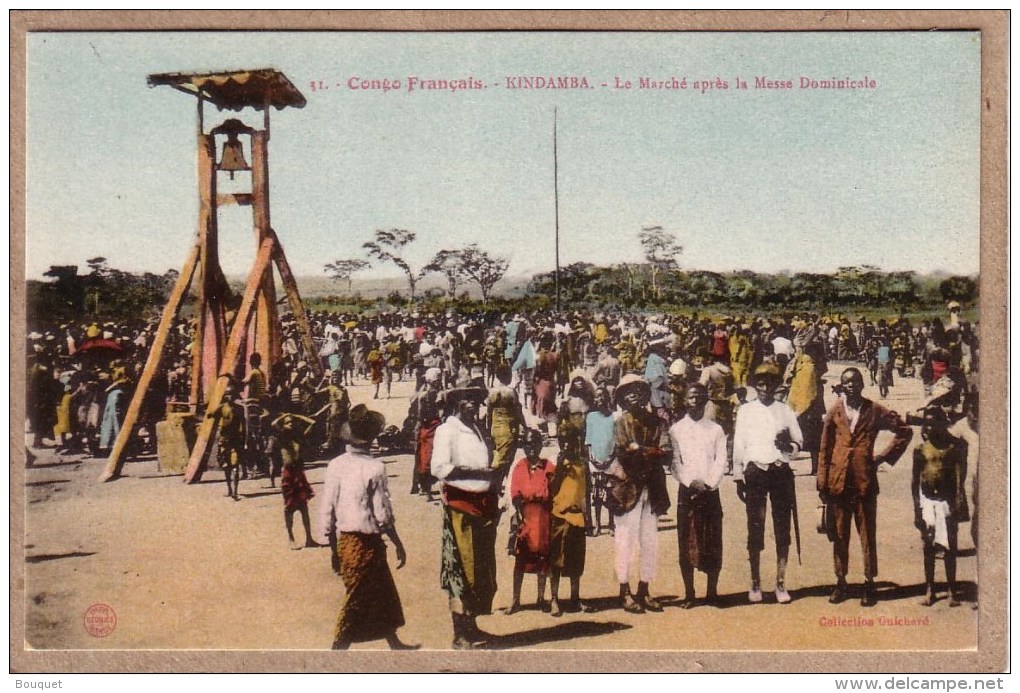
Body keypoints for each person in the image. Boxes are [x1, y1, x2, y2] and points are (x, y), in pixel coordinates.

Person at [317, 404, 418, 650]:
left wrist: (333, 548)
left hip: (346, 540)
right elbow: (382, 512)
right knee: (361, 594)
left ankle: (392, 640)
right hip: (367, 540)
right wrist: (397, 543)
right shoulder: (375, 467)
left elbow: (327, 508)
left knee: (380, 590)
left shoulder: (336, 465)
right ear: (371, 438)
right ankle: (339, 644)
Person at [817, 367, 913, 607]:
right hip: (839, 483)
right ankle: (841, 582)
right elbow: (824, 448)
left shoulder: (874, 410)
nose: (851, 385)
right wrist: (822, 482)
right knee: (839, 535)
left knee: (867, 535)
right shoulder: (835, 412)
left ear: (862, 384)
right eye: (846, 382)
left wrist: (882, 457)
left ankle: (869, 583)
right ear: (841, 386)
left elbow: (904, 431)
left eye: (855, 381)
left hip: (864, 483)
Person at [430, 387, 501, 649]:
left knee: (481, 569)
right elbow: (439, 468)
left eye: (476, 399)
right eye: (468, 400)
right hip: (460, 505)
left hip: (483, 504)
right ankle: (459, 632)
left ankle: (472, 626)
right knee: (460, 568)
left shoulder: (478, 428)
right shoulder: (446, 430)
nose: (474, 404)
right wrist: (479, 473)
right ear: (457, 404)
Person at [733, 363, 803, 605]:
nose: (765, 388)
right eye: (761, 383)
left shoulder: (785, 410)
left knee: (782, 527)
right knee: (756, 526)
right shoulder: (746, 411)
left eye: (770, 383)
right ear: (755, 385)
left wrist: (788, 448)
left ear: (776, 385)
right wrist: (738, 474)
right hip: (756, 473)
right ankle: (755, 583)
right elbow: (739, 444)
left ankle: (780, 583)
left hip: (780, 471)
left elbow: (798, 442)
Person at [610, 374, 671, 613]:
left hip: (653, 489)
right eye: (627, 392)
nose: (632, 394)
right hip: (628, 489)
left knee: (649, 541)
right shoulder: (620, 423)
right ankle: (624, 591)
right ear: (622, 399)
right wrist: (650, 452)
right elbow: (624, 453)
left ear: (645, 394)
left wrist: (641, 449)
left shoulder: (658, 423)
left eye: (636, 390)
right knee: (624, 540)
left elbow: (667, 453)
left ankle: (644, 590)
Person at [669, 383, 727, 608]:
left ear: (706, 401)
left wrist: (709, 483)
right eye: (691, 397)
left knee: (713, 539)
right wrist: (690, 481)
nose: (696, 401)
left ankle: (712, 592)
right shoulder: (676, 430)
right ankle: (690, 593)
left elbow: (721, 460)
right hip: (687, 491)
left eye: (700, 397)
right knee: (686, 540)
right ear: (684, 400)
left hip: (711, 491)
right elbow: (676, 462)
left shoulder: (716, 430)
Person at [912, 406, 969, 608]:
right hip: (927, 501)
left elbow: (960, 475)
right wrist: (917, 509)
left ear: (941, 423)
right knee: (928, 546)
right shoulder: (920, 449)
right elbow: (914, 482)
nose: (929, 426)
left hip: (947, 501)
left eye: (933, 421)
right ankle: (930, 589)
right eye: (926, 422)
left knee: (949, 547)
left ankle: (952, 590)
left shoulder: (954, 447)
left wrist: (959, 501)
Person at [506, 429, 554, 615]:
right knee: (520, 561)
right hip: (525, 518)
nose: (531, 449)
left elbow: (550, 491)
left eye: (534, 444)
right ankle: (515, 600)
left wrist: (537, 496)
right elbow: (515, 493)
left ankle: (541, 598)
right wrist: (519, 515)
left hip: (542, 519)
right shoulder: (519, 466)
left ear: (540, 445)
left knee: (542, 559)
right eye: (527, 445)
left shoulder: (548, 466)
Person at [549, 414, 593, 616]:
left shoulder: (583, 463)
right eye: (563, 441)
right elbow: (552, 488)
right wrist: (559, 468)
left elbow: (586, 492)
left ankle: (575, 598)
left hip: (578, 516)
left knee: (576, 561)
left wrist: (589, 519)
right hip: (560, 514)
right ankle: (555, 599)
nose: (566, 444)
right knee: (557, 560)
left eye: (570, 440)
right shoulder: (558, 462)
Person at [273, 412, 319, 550]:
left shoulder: (299, 437)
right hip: (288, 473)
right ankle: (291, 538)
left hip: (299, 472)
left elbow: (313, 423)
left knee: (304, 507)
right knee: (289, 508)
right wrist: (284, 416)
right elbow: (274, 424)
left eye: (292, 422)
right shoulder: (282, 437)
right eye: (287, 422)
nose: (290, 424)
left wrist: (297, 416)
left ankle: (309, 538)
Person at [206, 376, 245, 500]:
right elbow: (210, 415)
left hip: (235, 439)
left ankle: (235, 491)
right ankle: (229, 489)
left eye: (231, 394)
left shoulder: (238, 409)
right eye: (227, 394)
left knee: (235, 464)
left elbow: (243, 425)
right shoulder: (222, 407)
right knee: (226, 466)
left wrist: (244, 440)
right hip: (224, 439)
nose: (229, 397)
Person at [585, 387, 617, 536]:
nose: (598, 400)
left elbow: (616, 440)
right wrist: (592, 458)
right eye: (596, 397)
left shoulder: (614, 417)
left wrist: (610, 459)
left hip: (610, 461)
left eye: (601, 396)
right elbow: (589, 440)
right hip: (596, 461)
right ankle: (597, 524)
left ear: (606, 398)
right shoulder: (590, 417)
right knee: (597, 495)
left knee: (611, 494)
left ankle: (611, 523)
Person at [410, 367, 444, 498]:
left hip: (427, 427)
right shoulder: (440, 394)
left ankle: (424, 488)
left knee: (424, 458)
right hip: (434, 427)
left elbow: (419, 415)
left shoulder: (422, 395)